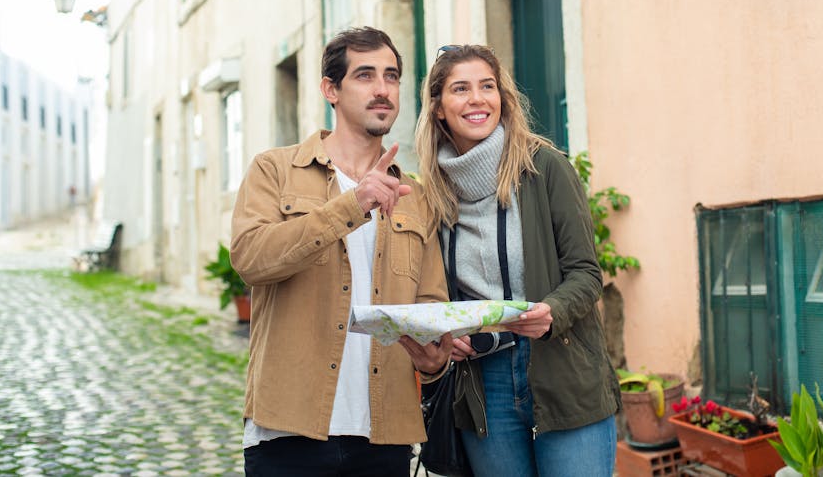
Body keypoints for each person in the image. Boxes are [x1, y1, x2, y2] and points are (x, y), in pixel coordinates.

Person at [230, 26, 453, 476]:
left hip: (384, 434)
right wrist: (352, 205)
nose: (382, 90)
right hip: (288, 430)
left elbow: (431, 304)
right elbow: (251, 259)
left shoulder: (417, 195)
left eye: (391, 76)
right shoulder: (275, 170)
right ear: (330, 89)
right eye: (365, 75)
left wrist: (435, 361)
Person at [415, 44, 621, 477]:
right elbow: (433, 292)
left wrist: (552, 312)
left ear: (502, 98)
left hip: (560, 368)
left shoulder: (544, 167)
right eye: (460, 89)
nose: (477, 99)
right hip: (482, 383)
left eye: (487, 86)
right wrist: (448, 332)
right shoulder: (432, 193)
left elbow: (586, 273)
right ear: (437, 108)